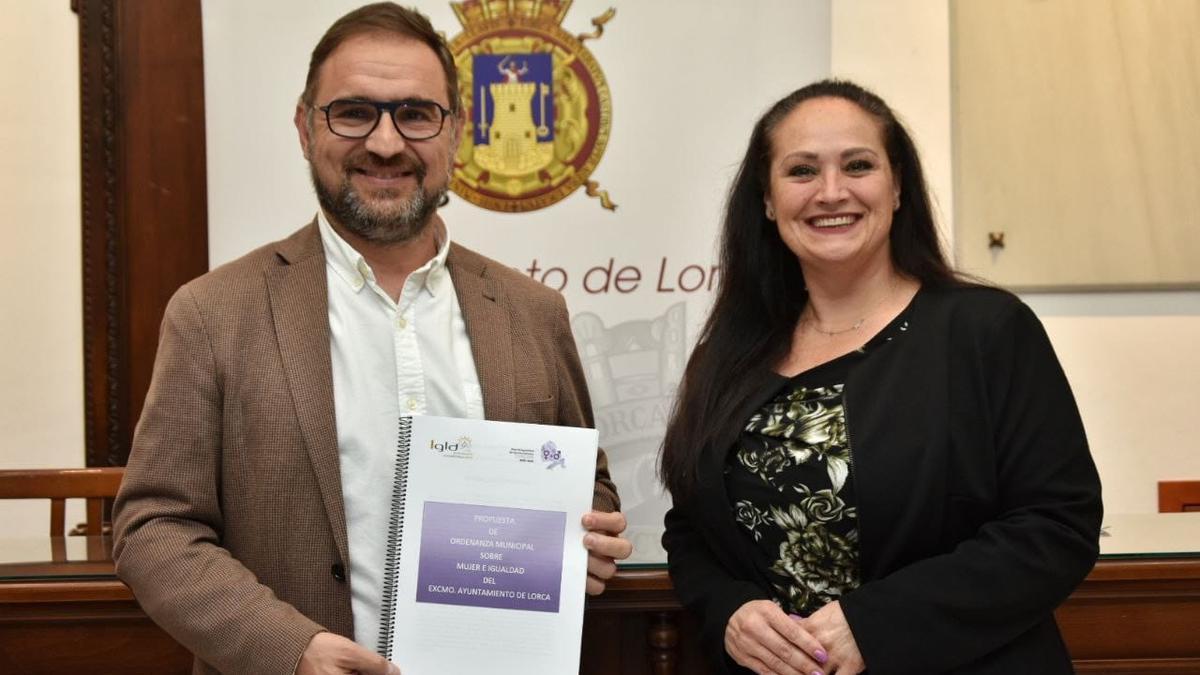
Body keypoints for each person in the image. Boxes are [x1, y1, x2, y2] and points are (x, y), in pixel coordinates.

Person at [112, 4, 632, 675]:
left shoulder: (533, 312)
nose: (386, 143)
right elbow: (154, 528)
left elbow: (588, 488)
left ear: (457, 132)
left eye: (416, 115)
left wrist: (583, 538)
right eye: (354, 112)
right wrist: (289, 647)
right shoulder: (214, 313)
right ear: (305, 127)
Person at [659, 79, 1102, 675]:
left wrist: (873, 625)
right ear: (766, 200)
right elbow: (691, 529)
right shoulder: (728, 354)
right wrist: (730, 609)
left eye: (858, 165)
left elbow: (1056, 526)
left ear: (898, 189)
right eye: (801, 171)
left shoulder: (985, 330)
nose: (831, 191)